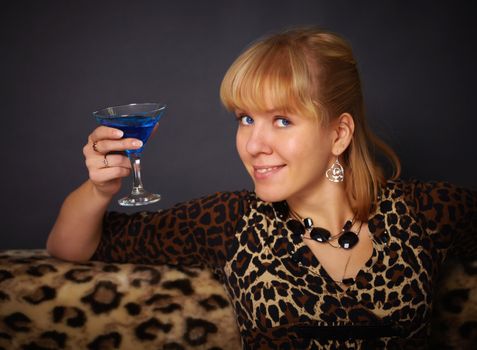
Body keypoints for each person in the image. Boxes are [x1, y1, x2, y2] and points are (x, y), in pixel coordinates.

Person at [47, 27, 476, 349]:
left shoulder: (426, 211)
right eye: (245, 118)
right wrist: (101, 187)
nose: (253, 144)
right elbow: (70, 248)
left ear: (339, 134)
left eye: (282, 120)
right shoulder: (231, 222)